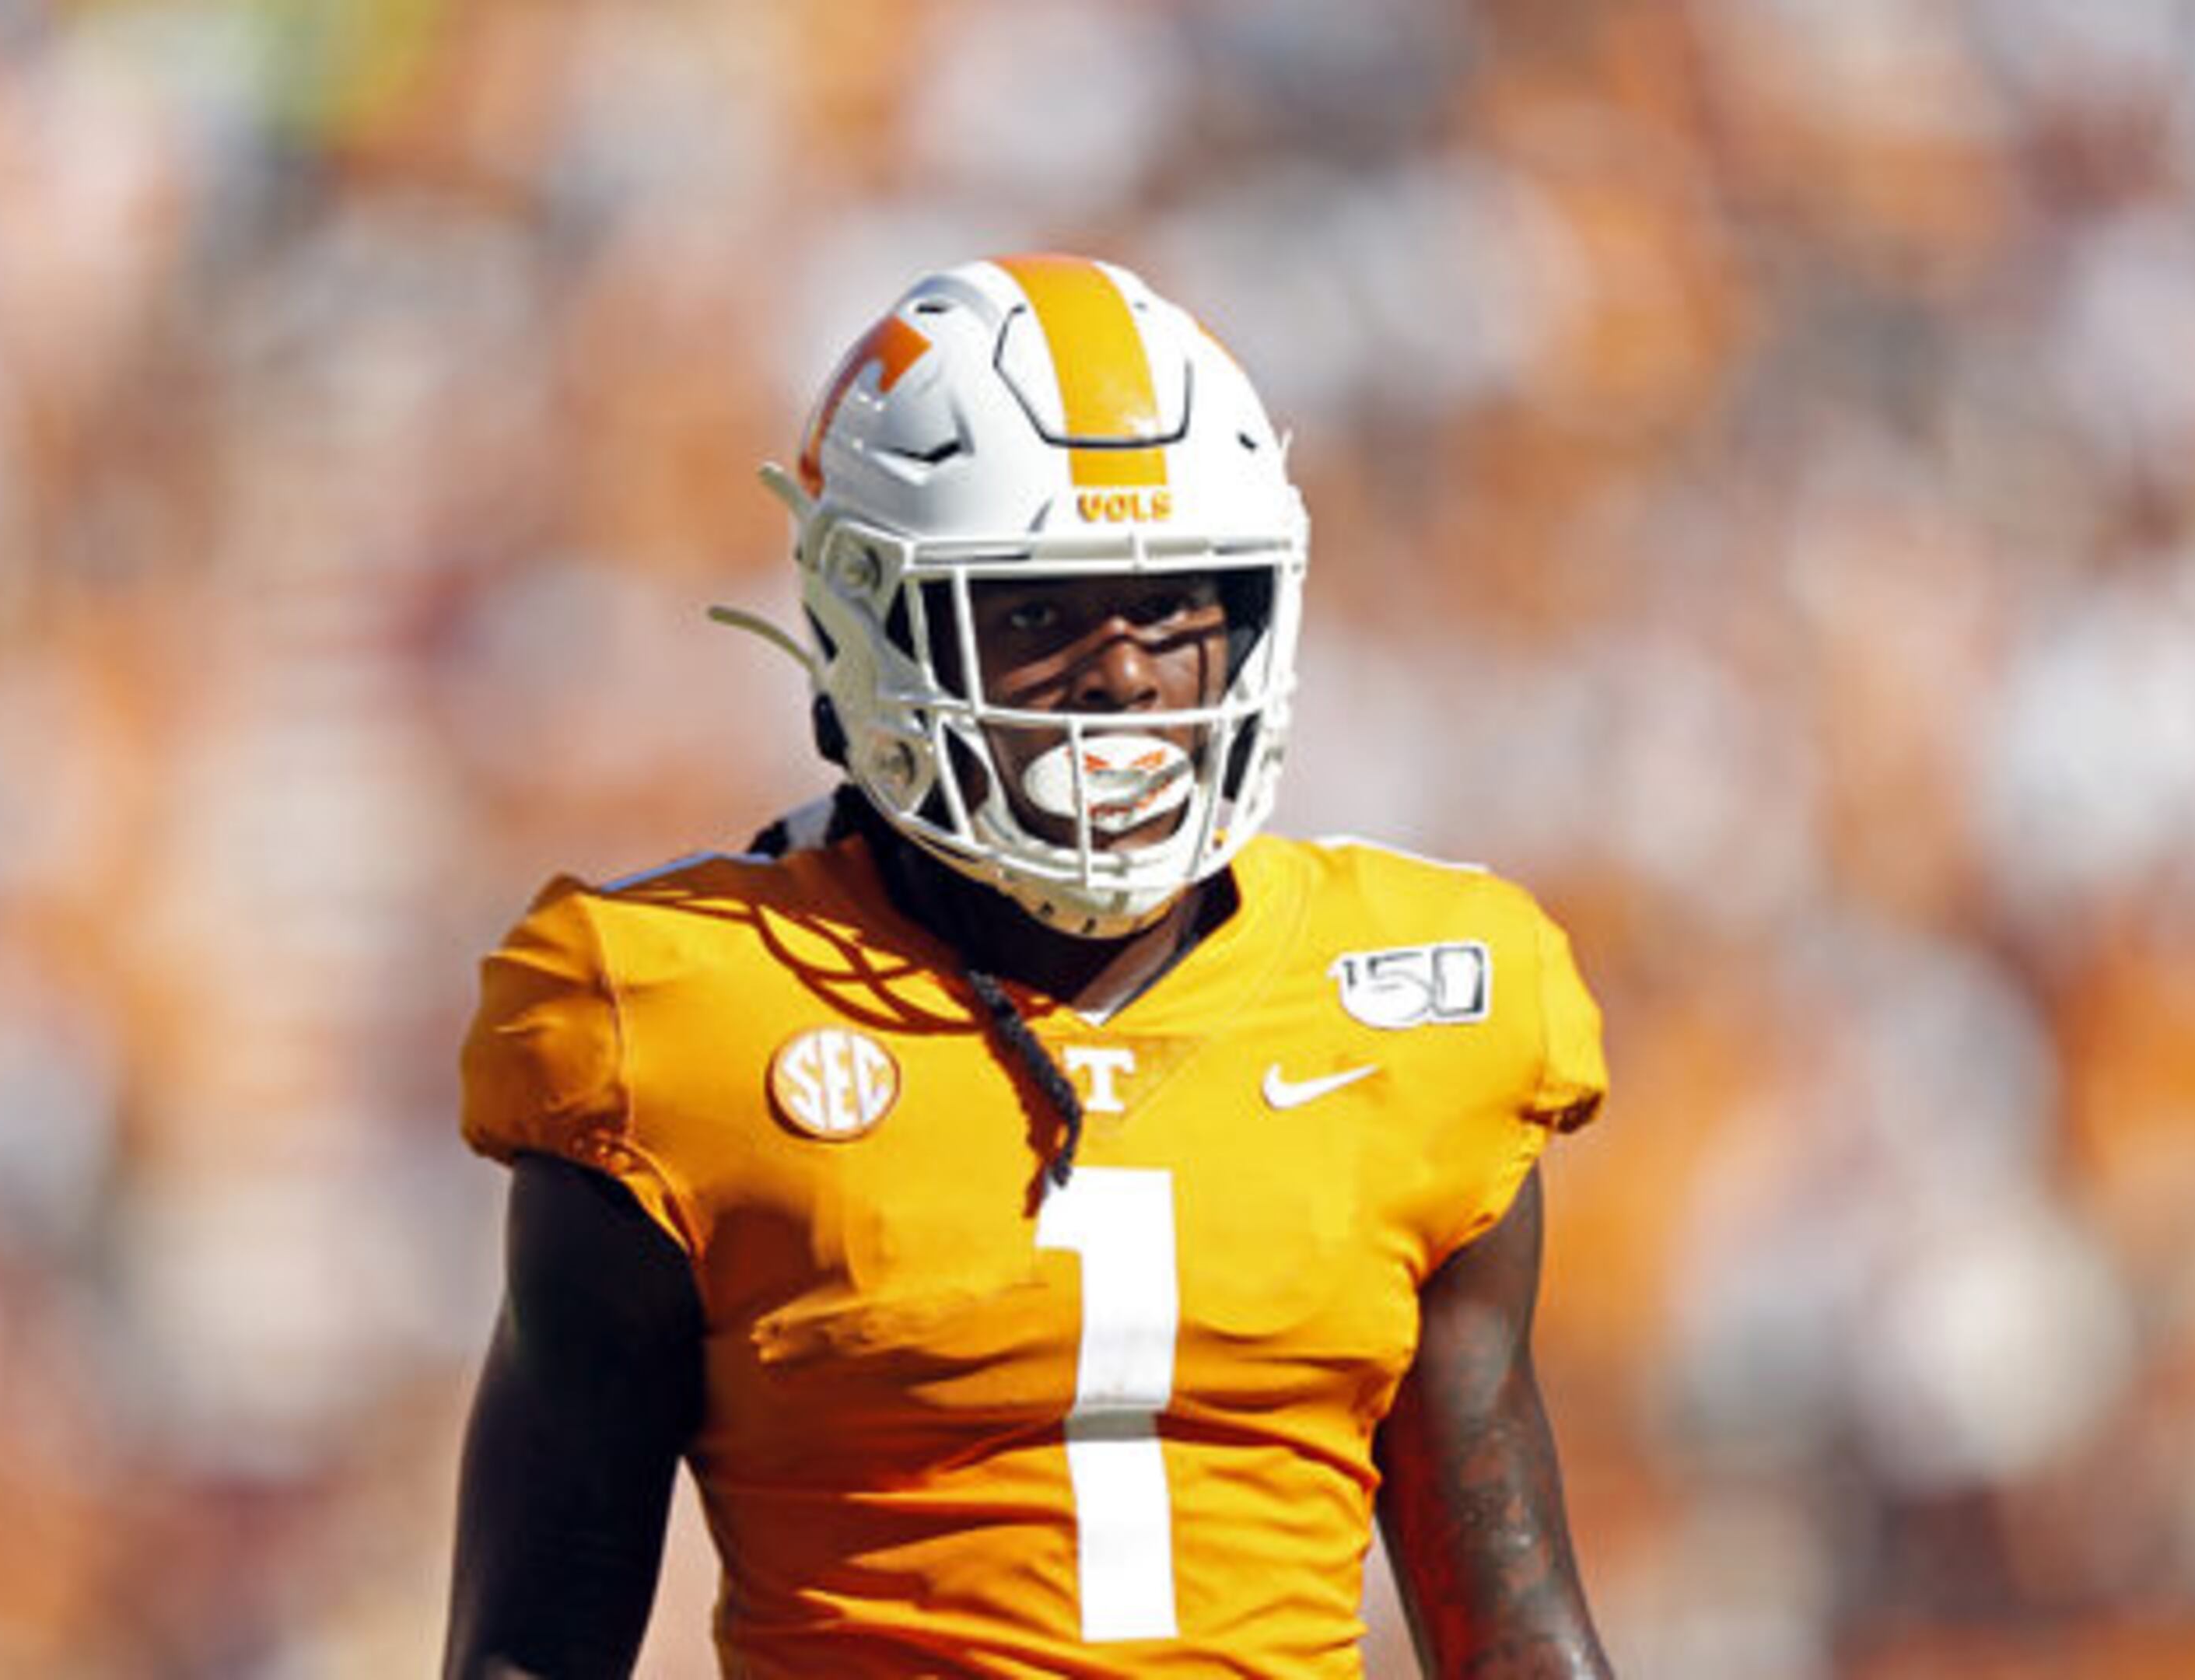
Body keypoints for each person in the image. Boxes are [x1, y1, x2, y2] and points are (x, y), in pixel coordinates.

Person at [446, 253, 1613, 1677]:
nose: (1127, 675)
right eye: (1038, 613)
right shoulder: (671, 1012)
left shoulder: (1433, 1005)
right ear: (866, 629)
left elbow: (1514, 1632)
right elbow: (538, 1636)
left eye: (1178, 606)